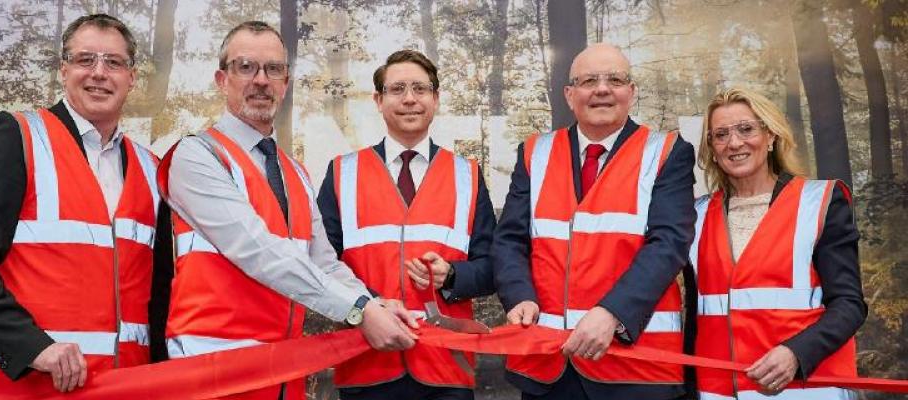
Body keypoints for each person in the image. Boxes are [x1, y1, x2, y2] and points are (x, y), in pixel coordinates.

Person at [157, 21, 418, 400]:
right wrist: (359, 309)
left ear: (286, 81)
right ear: (221, 78)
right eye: (245, 67)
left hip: (281, 372)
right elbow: (259, 251)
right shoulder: (197, 155)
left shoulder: (292, 170)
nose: (260, 80)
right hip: (213, 371)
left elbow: (324, 262)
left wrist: (373, 302)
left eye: (273, 69)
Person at [0, 14, 173, 393]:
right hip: (39, 387)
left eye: (113, 62)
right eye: (85, 60)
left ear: (132, 77)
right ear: (64, 70)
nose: (99, 73)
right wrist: (31, 347)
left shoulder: (151, 168)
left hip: (130, 387)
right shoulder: (17, 138)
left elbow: (162, 288)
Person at [492, 43, 696, 400]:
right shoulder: (533, 153)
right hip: (548, 366)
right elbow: (509, 240)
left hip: (634, 367)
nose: (602, 89)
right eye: (589, 80)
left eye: (615, 79)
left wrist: (613, 314)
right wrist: (518, 296)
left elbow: (669, 243)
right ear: (570, 95)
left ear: (631, 92)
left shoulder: (667, 152)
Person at [316, 49, 497, 400]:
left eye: (420, 88)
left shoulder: (468, 175)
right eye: (397, 89)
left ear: (436, 99)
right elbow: (321, 263)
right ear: (379, 100)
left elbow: (493, 267)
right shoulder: (342, 173)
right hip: (367, 362)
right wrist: (367, 309)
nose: (410, 99)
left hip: (446, 367)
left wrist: (453, 277)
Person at [689, 87, 866, 399]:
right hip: (719, 392)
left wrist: (796, 353)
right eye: (720, 135)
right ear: (711, 148)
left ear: (770, 137)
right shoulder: (695, 216)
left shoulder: (819, 202)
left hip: (804, 389)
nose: (734, 143)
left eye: (746, 129)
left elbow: (848, 305)